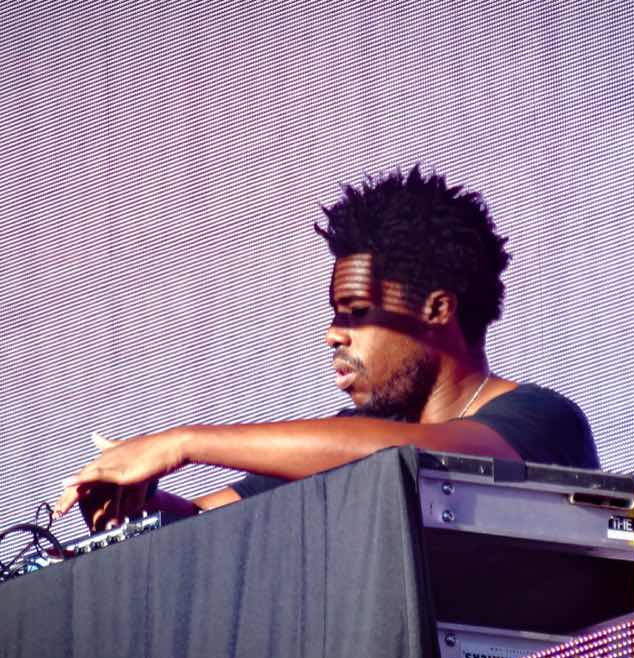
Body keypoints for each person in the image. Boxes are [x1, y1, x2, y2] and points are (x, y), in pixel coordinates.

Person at [53, 166, 599, 530]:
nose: (333, 335)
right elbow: (203, 520)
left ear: (437, 309)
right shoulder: (343, 440)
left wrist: (181, 443)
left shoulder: (542, 420)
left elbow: (422, 455)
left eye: (356, 314)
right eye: (335, 315)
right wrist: (137, 507)